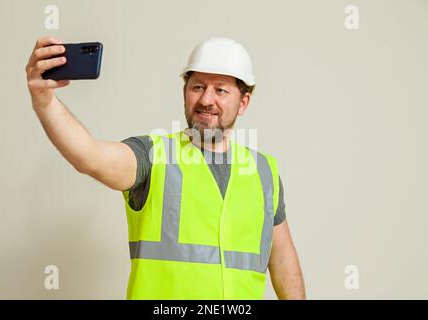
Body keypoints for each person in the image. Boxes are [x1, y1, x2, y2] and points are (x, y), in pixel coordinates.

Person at [26, 36, 306, 300]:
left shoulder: (263, 171)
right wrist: (45, 101)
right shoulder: (152, 155)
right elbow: (90, 156)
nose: (207, 100)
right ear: (185, 92)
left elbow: (281, 257)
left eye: (220, 90)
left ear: (243, 102)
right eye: (198, 87)